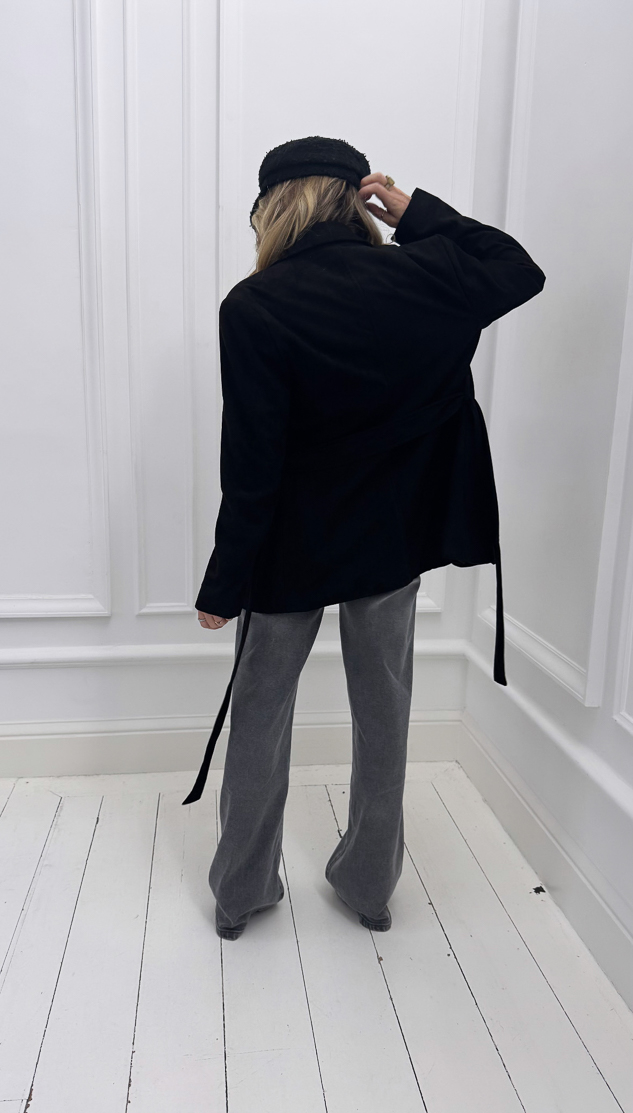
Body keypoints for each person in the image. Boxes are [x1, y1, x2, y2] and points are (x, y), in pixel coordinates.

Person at [184, 136, 546, 940]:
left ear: (275, 207)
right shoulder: (427, 276)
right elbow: (517, 267)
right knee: (384, 711)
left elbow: (252, 465)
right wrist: (418, 214)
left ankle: (240, 891)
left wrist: (224, 582)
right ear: (356, 198)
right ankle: (370, 885)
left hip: (289, 551)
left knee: (260, 712)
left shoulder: (255, 305)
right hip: (391, 542)